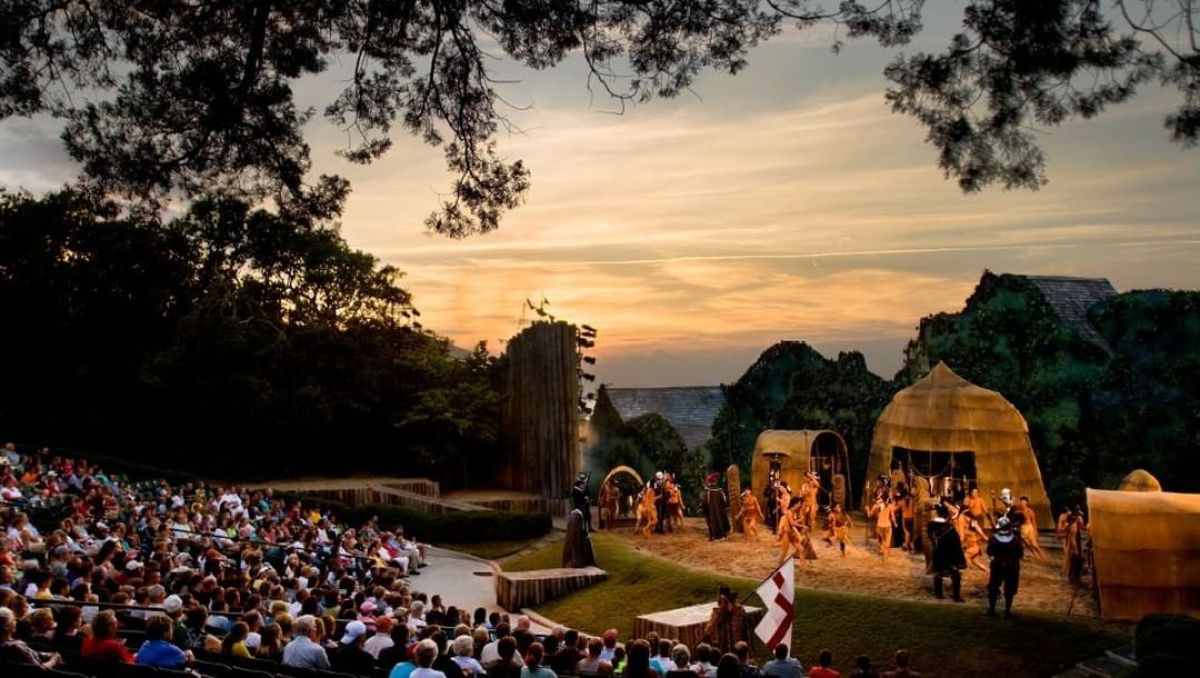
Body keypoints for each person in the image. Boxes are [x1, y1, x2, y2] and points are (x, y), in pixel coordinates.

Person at [986, 517, 1024, 618]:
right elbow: (1020, 554)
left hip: (997, 566)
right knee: (1009, 590)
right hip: (1012, 567)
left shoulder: (993, 538)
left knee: (993, 587)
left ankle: (992, 609)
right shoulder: (1016, 539)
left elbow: (989, 552)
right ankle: (1007, 611)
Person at [927, 503, 966, 602]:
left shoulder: (931, 525)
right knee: (956, 575)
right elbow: (956, 543)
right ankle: (956, 596)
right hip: (949, 555)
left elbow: (931, 538)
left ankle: (939, 594)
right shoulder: (950, 529)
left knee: (938, 573)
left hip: (937, 553)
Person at [704, 584, 749, 655]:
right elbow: (708, 631)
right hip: (731, 651)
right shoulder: (739, 610)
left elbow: (708, 630)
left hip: (732, 651)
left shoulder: (738, 611)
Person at [701, 472, 731, 541]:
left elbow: (704, 502)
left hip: (710, 511)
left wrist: (703, 507)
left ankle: (713, 536)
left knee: (712, 522)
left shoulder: (707, 491)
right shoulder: (720, 490)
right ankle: (723, 536)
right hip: (720, 510)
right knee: (721, 520)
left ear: (709, 482)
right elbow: (724, 500)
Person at [868, 496, 895, 563]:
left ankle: (884, 557)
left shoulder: (876, 506)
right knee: (887, 544)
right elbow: (893, 516)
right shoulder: (890, 506)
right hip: (887, 525)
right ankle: (885, 560)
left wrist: (867, 509)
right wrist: (895, 523)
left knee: (883, 541)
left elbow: (869, 515)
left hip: (879, 526)